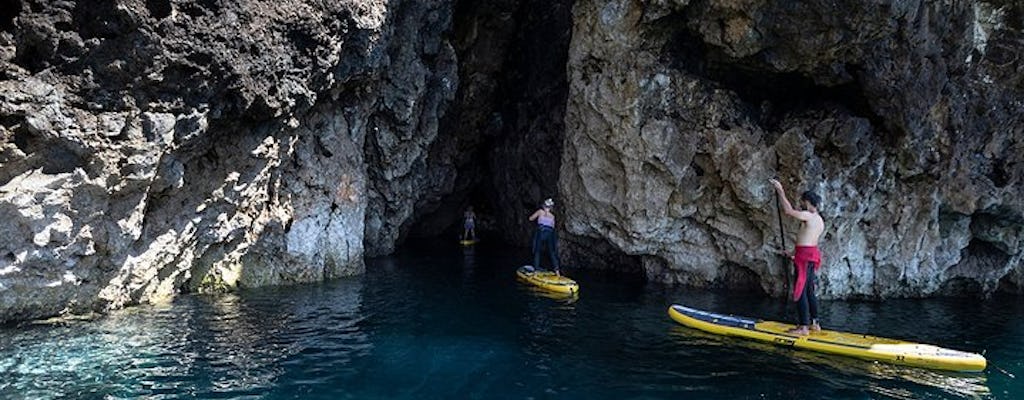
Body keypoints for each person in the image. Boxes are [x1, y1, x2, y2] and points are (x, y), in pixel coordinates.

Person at [769, 178, 824, 336]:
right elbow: (808, 239)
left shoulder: (809, 216)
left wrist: (780, 190)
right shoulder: (819, 220)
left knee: (800, 290)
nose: (801, 205)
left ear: (807, 202)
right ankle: (815, 324)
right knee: (809, 290)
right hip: (808, 256)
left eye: (802, 202)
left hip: (805, 258)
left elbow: (788, 211)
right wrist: (792, 253)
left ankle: (803, 327)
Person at [528, 198, 561, 275]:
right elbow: (552, 226)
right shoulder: (552, 216)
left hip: (540, 232)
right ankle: (557, 271)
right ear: (551, 208)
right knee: (552, 252)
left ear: (543, 206)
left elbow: (530, 218)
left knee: (537, 251)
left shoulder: (540, 212)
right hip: (549, 233)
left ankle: (536, 271)